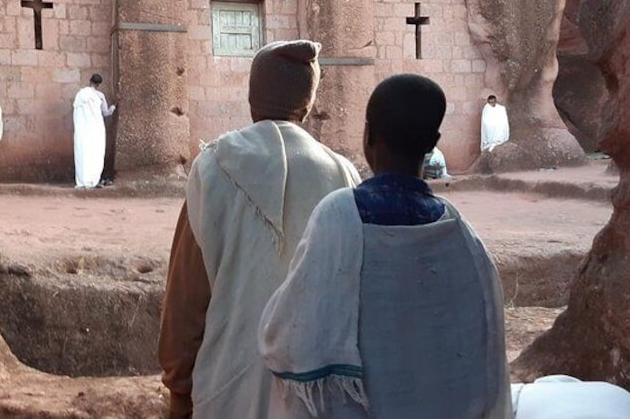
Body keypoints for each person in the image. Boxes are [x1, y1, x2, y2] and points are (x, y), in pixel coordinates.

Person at [259, 74, 511, 418]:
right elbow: (485, 353)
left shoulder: (339, 217)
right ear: (433, 142)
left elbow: (289, 339)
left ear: (368, 136)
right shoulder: (461, 234)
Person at [159, 40, 360, 419]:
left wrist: (179, 388)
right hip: (316, 398)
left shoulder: (212, 168)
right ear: (308, 105)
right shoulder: (342, 174)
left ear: (252, 99)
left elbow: (186, 299)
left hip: (227, 392)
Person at [73, 73, 115, 189]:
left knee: (83, 153)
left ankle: (82, 180)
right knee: (95, 153)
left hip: (83, 130)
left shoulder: (80, 94)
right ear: (98, 84)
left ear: (90, 81)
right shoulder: (100, 96)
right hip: (96, 129)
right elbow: (106, 113)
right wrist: (114, 106)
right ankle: (93, 179)